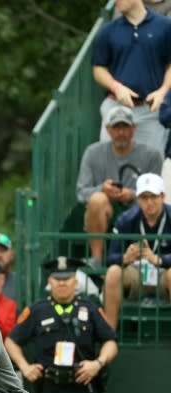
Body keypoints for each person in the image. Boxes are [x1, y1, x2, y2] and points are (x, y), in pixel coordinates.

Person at [6, 258, 119, 393]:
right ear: (49, 281)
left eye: (66, 278)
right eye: (57, 279)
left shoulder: (90, 308)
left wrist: (98, 363)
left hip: (84, 384)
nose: (62, 283)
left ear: (76, 281)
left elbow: (110, 342)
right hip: (51, 387)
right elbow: (11, 341)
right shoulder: (38, 310)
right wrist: (25, 367)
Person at [76, 106, 163, 264]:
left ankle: (149, 257)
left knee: (150, 203)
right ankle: (96, 259)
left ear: (133, 128)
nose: (121, 133)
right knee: (97, 199)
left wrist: (133, 194)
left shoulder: (152, 155)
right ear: (108, 129)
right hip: (106, 209)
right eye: (116, 127)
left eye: (125, 127)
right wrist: (102, 189)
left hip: (138, 208)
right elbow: (81, 193)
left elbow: (157, 193)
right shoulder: (92, 152)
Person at [92, 0, 171, 152]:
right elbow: (99, 69)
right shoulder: (107, 31)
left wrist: (163, 91)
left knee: (150, 170)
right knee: (109, 165)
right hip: (115, 107)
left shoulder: (165, 27)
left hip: (151, 111)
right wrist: (116, 87)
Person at [103, 173, 171, 329]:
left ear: (163, 196)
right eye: (144, 197)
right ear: (138, 199)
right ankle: (109, 335)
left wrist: (160, 260)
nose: (149, 202)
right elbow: (110, 257)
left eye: (153, 196)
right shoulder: (126, 219)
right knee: (113, 272)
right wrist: (125, 258)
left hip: (164, 274)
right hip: (136, 273)